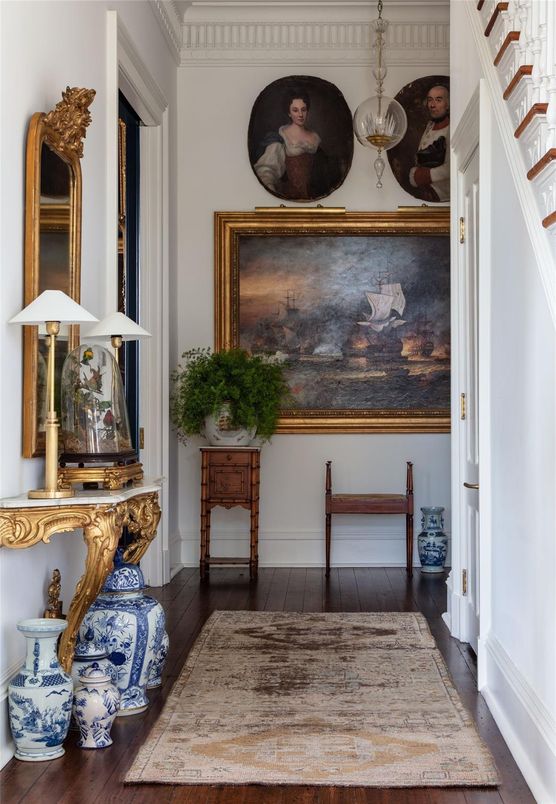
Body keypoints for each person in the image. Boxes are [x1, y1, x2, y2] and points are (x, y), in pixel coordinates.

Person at [253, 91, 336, 200]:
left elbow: (323, 175)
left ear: (308, 111)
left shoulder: (315, 138)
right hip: (289, 197)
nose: (300, 114)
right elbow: (267, 171)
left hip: (313, 198)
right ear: (289, 113)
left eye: (303, 109)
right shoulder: (281, 138)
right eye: (295, 110)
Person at [409, 84, 450, 203]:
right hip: (425, 194)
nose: (432, 105)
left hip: (441, 195)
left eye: (438, 100)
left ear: (447, 104)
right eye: (430, 100)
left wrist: (421, 176)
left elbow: (450, 168)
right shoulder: (430, 126)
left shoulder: (451, 129)